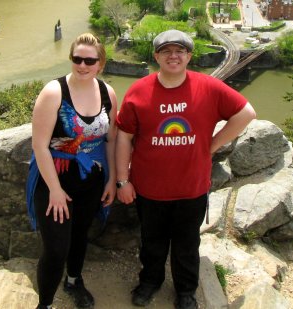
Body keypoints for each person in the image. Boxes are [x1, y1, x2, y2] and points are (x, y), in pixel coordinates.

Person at [115, 29, 257, 309]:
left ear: (189, 56)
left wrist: (212, 145)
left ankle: (185, 292)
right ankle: (149, 282)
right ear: (156, 56)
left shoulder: (208, 87)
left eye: (180, 51)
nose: (173, 56)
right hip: (149, 188)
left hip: (191, 187)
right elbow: (124, 137)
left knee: (187, 245)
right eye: (166, 51)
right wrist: (122, 181)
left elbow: (247, 113)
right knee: (151, 242)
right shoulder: (138, 91)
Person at [28, 33, 117, 309]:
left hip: (90, 180)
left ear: (100, 63)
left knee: (80, 236)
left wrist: (113, 179)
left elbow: (111, 139)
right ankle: (44, 303)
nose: (82, 65)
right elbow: (40, 146)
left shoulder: (107, 92)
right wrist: (54, 190)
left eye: (89, 60)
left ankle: (74, 280)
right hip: (55, 178)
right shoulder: (54, 92)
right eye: (77, 59)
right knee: (56, 249)